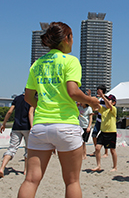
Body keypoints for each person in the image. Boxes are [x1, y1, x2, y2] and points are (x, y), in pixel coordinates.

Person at [18, 22, 100, 198]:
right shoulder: (70, 61)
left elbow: (28, 97)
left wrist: (43, 106)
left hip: (40, 126)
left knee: (31, 180)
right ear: (66, 39)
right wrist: (91, 100)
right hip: (66, 126)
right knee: (72, 181)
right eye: (72, 38)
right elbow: (73, 92)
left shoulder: (37, 64)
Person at [0, 93, 34, 177]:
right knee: (28, 149)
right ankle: (26, 170)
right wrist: (32, 126)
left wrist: (4, 124)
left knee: (12, 148)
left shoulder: (17, 99)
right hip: (27, 127)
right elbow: (30, 113)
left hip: (16, 127)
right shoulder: (31, 98)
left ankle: (2, 167)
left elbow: (9, 111)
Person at [92, 92, 118, 172]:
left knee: (112, 151)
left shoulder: (113, 109)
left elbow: (109, 105)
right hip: (103, 132)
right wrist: (90, 98)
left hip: (111, 132)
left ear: (113, 103)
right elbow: (95, 106)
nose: (107, 101)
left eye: (110, 100)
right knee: (97, 148)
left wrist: (103, 96)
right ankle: (98, 165)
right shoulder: (104, 110)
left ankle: (115, 167)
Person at [90, 85, 109, 158]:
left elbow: (108, 107)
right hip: (98, 119)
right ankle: (96, 150)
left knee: (105, 136)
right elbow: (98, 109)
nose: (97, 91)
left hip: (104, 120)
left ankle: (106, 152)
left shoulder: (106, 98)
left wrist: (102, 97)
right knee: (94, 135)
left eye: (98, 90)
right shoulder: (98, 99)